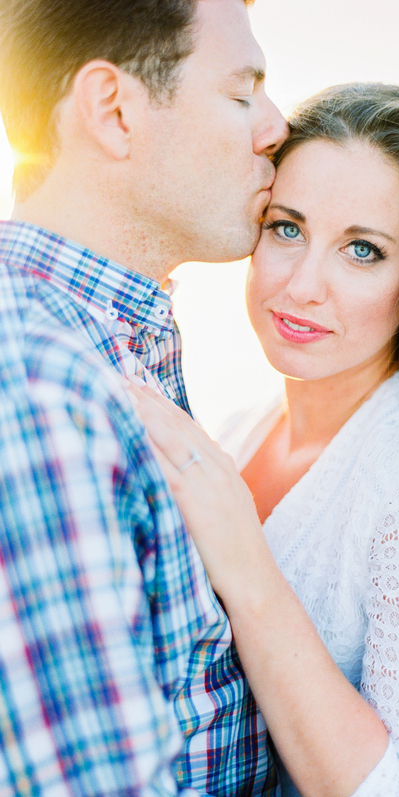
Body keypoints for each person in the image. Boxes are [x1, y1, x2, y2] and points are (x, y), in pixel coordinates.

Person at [133, 83, 399, 797]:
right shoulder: (240, 428)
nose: (304, 285)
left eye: (362, 250)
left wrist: (247, 567)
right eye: (287, 228)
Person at [0, 0, 287, 794]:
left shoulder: (102, 345)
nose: (276, 126)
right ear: (114, 111)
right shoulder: (42, 387)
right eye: (242, 93)